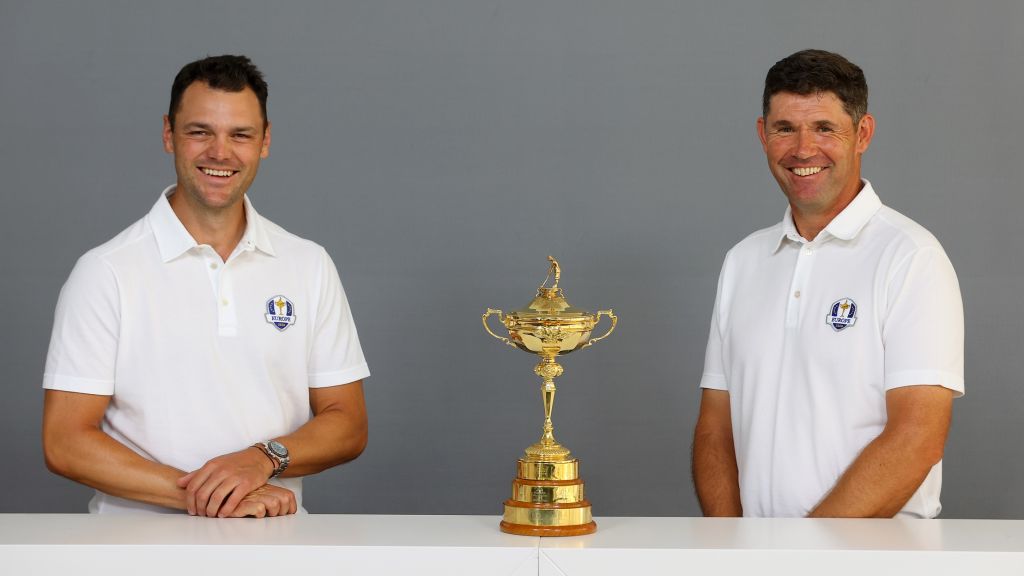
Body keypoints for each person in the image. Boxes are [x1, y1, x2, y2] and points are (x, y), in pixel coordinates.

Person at [42, 55, 370, 518]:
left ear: (265, 141)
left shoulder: (308, 264)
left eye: (240, 134)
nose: (220, 152)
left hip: (277, 544)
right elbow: (65, 441)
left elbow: (348, 423)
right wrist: (217, 495)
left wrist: (261, 459)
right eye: (200, 132)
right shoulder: (105, 272)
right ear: (168, 134)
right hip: (133, 554)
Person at [692, 49, 964, 518]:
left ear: (862, 134)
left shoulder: (910, 257)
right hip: (756, 562)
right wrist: (730, 547)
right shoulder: (743, 261)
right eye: (784, 128)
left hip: (876, 562)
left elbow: (917, 436)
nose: (802, 150)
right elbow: (716, 428)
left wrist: (807, 556)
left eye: (823, 128)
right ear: (762, 135)